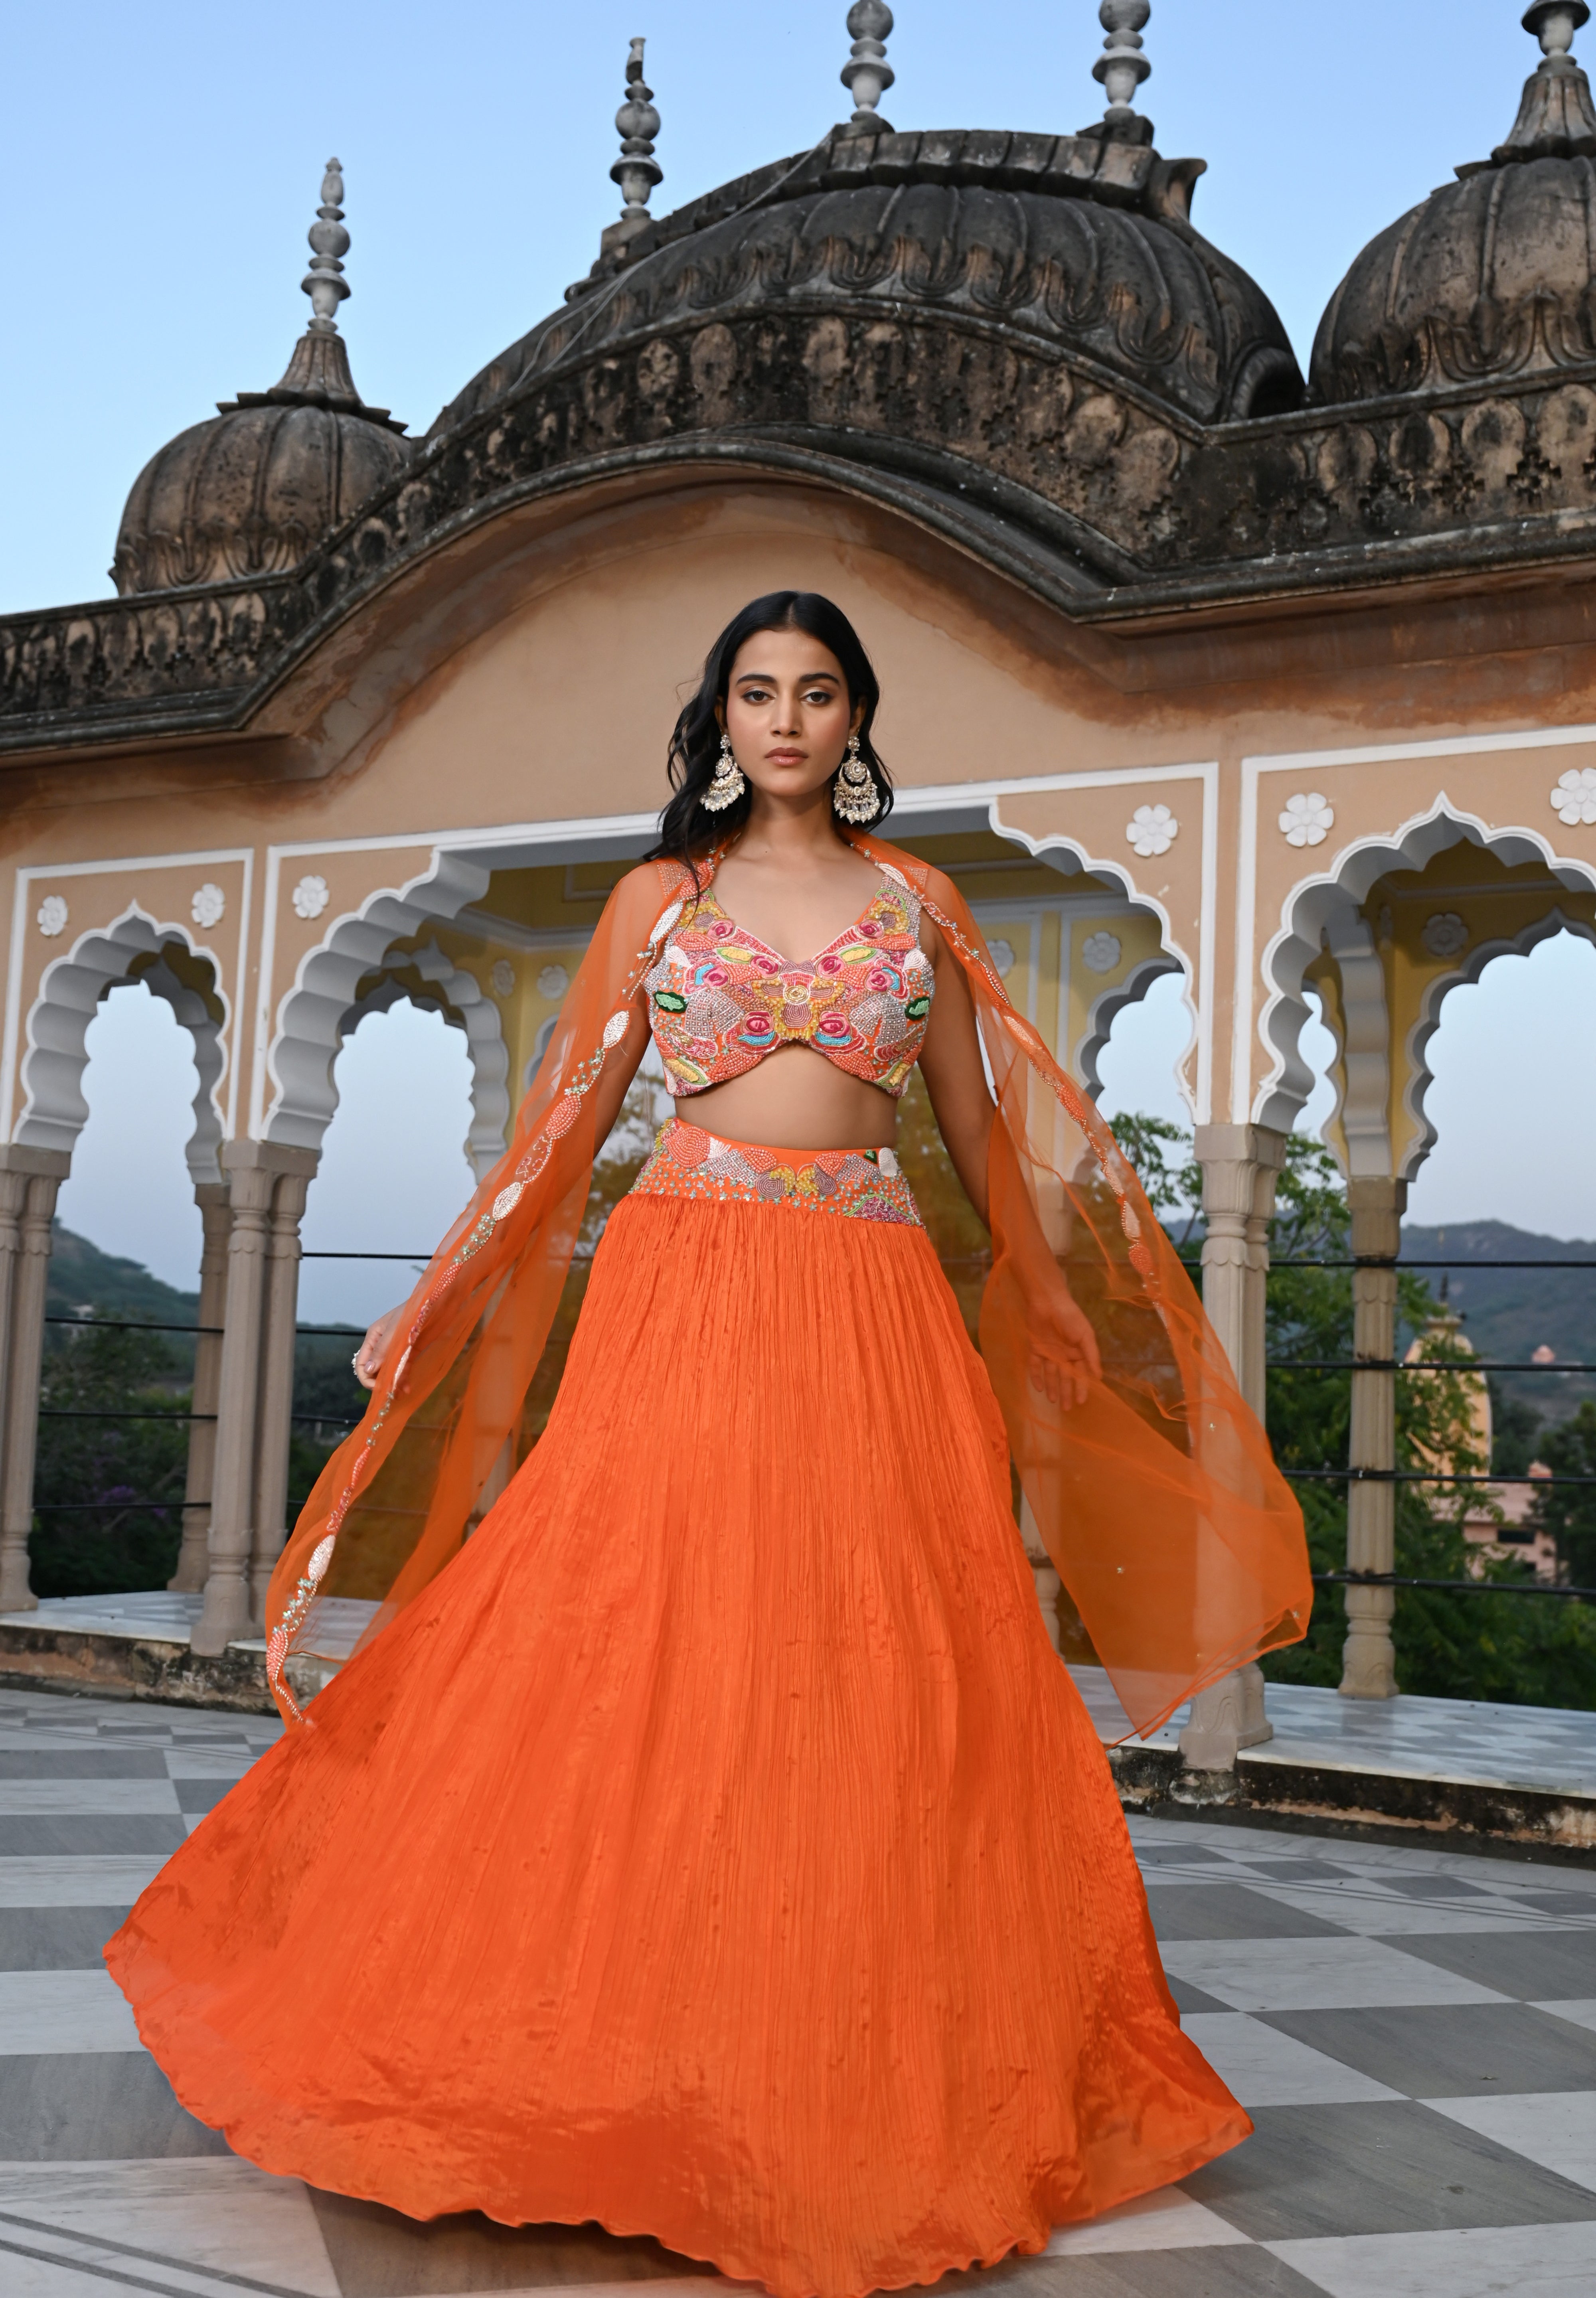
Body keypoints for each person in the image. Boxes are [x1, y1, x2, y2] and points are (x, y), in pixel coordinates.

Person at [107, 591, 1309, 2298]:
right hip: (687, 1283)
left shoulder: (920, 903)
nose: (788, 721)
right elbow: (567, 1124)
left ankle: (840, 2068)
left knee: (882, 1653)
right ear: (721, 720)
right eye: (758, 693)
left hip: (874, 1297)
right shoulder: (657, 902)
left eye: (818, 693)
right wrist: (442, 1295)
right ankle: (601, 2064)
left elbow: (974, 1122)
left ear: (857, 717)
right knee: (646, 1634)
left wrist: (1042, 1299)